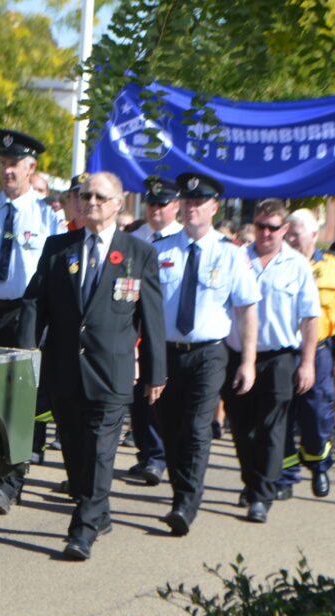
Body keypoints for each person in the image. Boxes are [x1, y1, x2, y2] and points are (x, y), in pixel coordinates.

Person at [18, 171, 166, 559]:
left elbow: (152, 319)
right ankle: (98, 508)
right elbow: (36, 303)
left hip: (112, 372)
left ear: (119, 203)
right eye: (85, 196)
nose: (91, 203)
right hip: (65, 369)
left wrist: (155, 372)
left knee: (101, 450)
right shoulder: (57, 247)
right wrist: (26, 352)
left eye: (100, 196)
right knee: (75, 451)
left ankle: (82, 529)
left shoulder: (139, 254)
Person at [152, 172, 260, 535]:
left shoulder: (231, 254)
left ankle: (185, 503)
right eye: (187, 201)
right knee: (169, 427)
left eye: (199, 202)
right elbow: (146, 308)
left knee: (198, 427)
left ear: (214, 207)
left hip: (209, 354)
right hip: (166, 352)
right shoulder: (161, 249)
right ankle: (181, 490)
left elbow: (246, 309)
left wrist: (247, 361)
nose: (191, 207)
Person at [0, 129, 65, 514]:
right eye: (4, 163)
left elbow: (56, 275)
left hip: (25, 312)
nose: (8, 170)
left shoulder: (47, 215)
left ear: (31, 168)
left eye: (15, 164)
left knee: (19, 399)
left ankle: (11, 481)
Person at [224, 201, 319, 523]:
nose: (266, 233)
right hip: (236, 356)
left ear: (284, 230)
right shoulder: (236, 258)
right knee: (241, 428)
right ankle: (252, 482)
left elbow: (309, 318)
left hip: (278, 358)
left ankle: (261, 495)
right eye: (261, 225)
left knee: (272, 429)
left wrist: (307, 363)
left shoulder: (298, 265)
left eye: (273, 227)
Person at [280, 208, 335, 498]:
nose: (289, 238)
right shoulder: (279, 262)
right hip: (285, 350)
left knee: (317, 413)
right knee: (282, 413)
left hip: (321, 350)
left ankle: (317, 464)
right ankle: (285, 476)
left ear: (314, 235)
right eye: (286, 232)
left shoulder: (333, 266)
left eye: (295, 233)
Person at [124, 176, 181, 486]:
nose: (155, 209)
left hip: (165, 329)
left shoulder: (181, 240)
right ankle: (147, 453)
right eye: (151, 203)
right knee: (138, 396)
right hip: (134, 326)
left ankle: (159, 456)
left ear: (175, 207)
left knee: (159, 394)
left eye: (162, 204)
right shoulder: (134, 237)